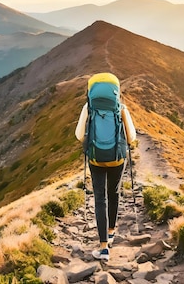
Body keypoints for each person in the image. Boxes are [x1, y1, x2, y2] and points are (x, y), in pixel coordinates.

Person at [75, 73, 136, 260]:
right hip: (117, 158)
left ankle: (103, 248)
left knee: (100, 198)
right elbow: (132, 137)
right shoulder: (121, 108)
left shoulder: (88, 107)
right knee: (114, 193)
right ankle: (111, 232)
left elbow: (78, 135)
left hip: (96, 159)